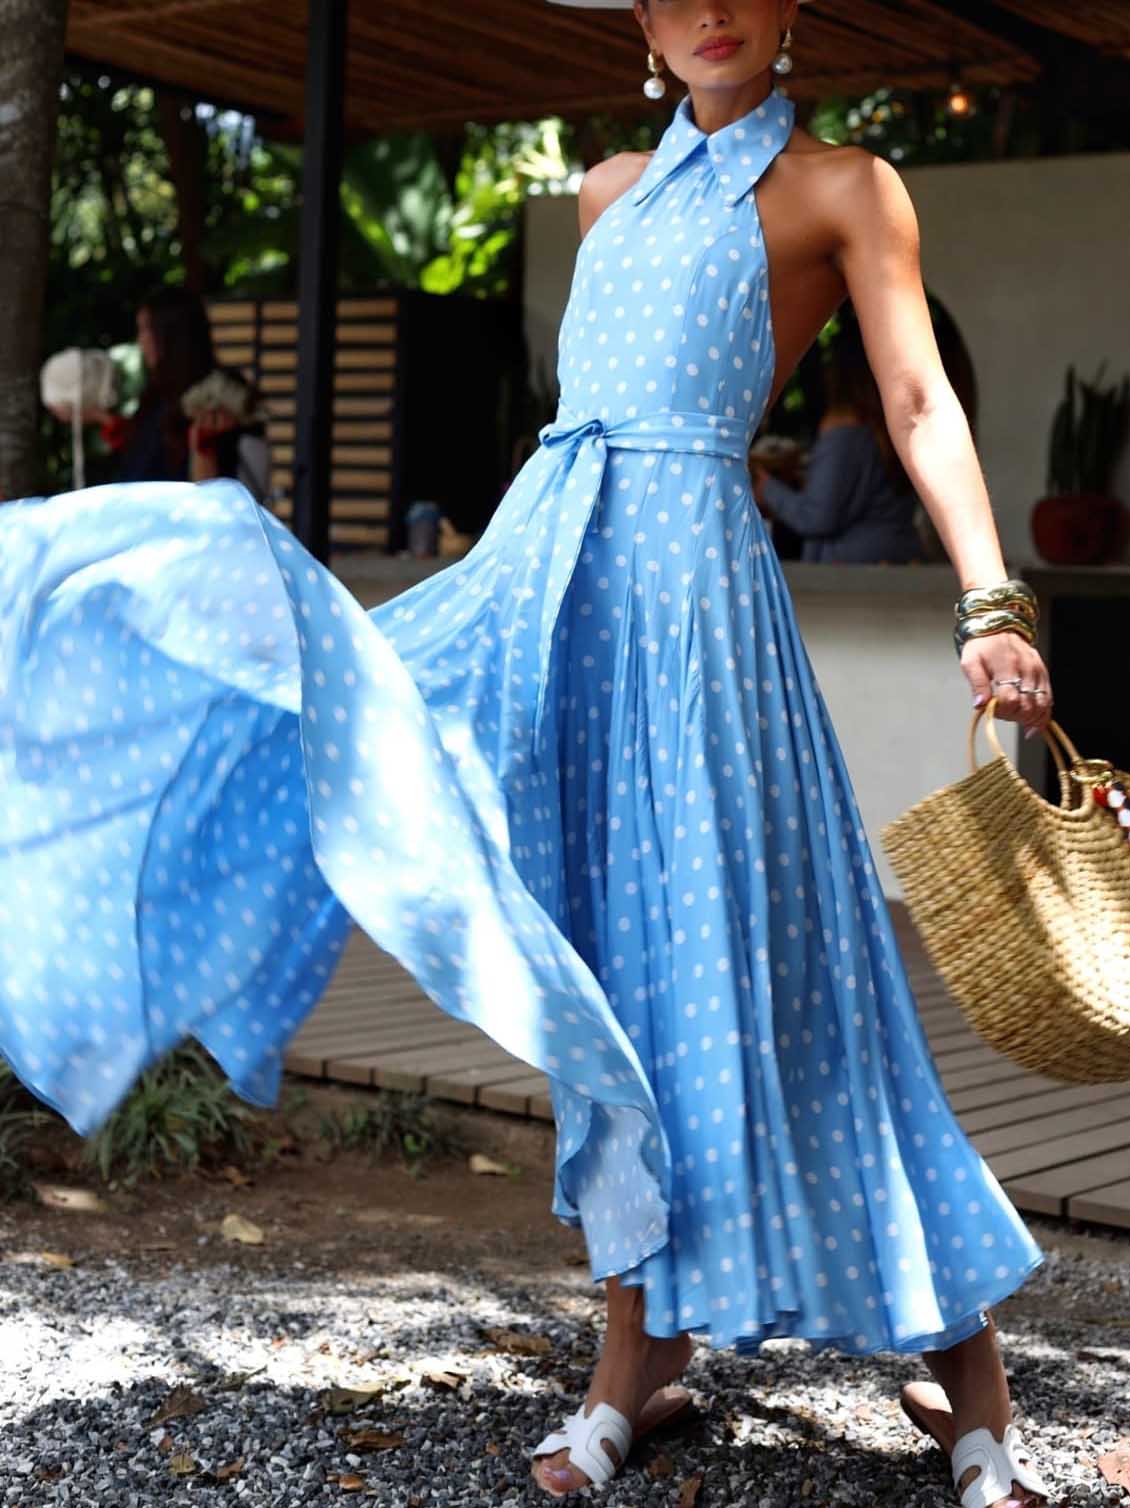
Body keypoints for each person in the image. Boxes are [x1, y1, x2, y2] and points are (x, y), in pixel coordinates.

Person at [0, 4, 1053, 1508]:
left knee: (800, 966)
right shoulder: (604, 189)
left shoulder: (841, 187)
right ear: (634, 13)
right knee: (610, 985)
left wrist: (987, 598)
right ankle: (637, 1369)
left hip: (700, 626)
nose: (705, 9)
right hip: (554, 597)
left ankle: (974, 1400)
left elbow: (911, 400)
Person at [752, 315, 927, 563]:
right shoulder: (897, 421)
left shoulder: (845, 434)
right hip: (897, 556)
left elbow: (818, 517)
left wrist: (766, 487)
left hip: (853, 570)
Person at [101, 286, 270, 499]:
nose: (141, 340)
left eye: (147, 329)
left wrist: (205, 447)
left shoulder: (216, 396)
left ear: (172, 334)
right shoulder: (157, 397)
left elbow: (215, 498)